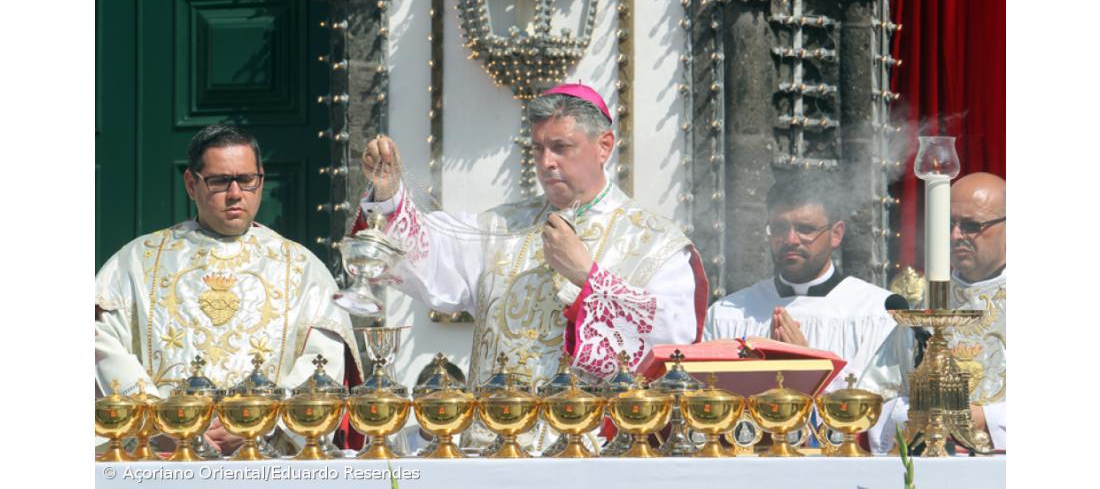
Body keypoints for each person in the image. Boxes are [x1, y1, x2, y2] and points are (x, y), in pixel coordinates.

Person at [355, 83, 708, 390]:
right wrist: (388, 195)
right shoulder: (502, 227)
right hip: (498, 434)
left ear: (604, 146)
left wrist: (588, 278)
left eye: (561, 147)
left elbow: (672, 345)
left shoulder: (655, 244)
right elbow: (431, 255)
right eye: (538, 148)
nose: (546, 162)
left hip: (593, 441)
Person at [95, 124, 360, 454]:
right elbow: (101, 341)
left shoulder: (303, 268)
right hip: (164, 457)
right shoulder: (135, 262)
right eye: (220, 181)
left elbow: (323, 360)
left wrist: (261, 420)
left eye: (247, 180)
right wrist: (164, 425)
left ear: (261, 180)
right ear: (191, 184)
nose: (235, 193)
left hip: (268, 459)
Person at [703, 174, 908, 392]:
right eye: (779, 228)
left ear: (836, 234)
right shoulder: (727, 314)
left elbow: (888, 402)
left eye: (805, 229)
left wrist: (810, 369)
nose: (790, 239)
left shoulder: (877, 312)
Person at [866, 172, 1006, 452]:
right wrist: (923, 419)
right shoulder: (925, 307)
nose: (955, 236)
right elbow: (877, 394)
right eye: (949, 224)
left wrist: (986, 419)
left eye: (971, 226)